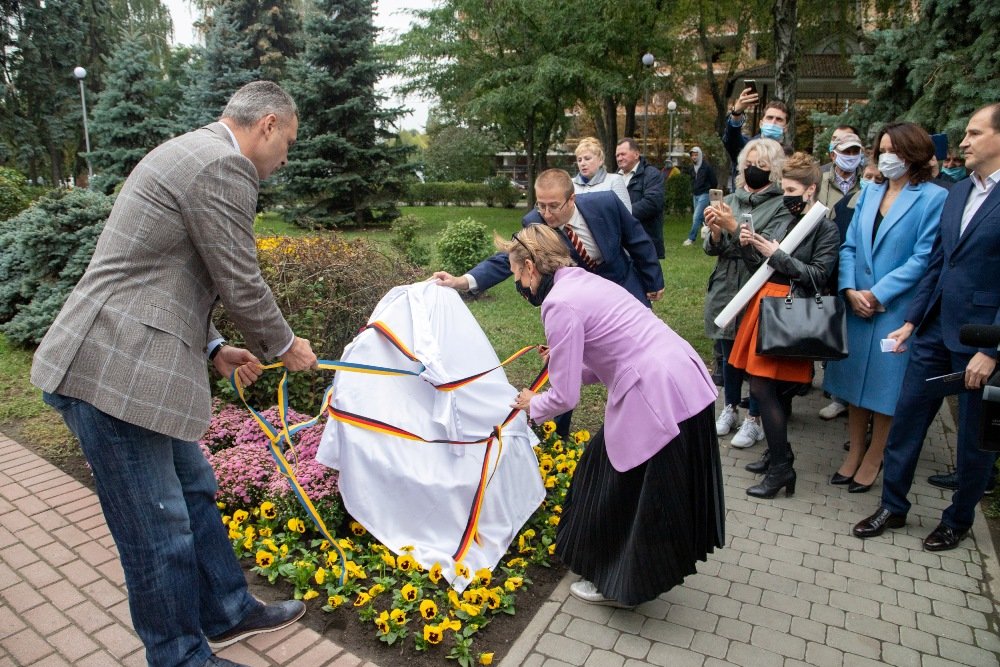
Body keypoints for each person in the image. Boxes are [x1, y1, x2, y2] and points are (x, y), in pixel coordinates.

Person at [30, 82, 318, 667]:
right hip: (113, 373)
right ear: (266, 124)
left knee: (194, 493)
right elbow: (237, 275)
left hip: (133, 359)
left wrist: (214, 348)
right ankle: (180, 657)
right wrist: (285, 345)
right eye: (286, 142)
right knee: (157, 534)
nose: (285, 159)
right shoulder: (222, 166)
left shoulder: (191, 152)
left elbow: (154, 272)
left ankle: (227, 610)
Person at [506, 224, 723, 607]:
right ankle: (617, 570)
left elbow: (565, 395)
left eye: (515, 274)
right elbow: (605, 356)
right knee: (616, 477)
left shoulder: (559, 303)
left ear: (529, 267)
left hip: (654, 392)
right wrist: (563, 360)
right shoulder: (585, 282)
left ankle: (620, 584)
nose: (518, 285)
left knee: (628, 490)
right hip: (680, 377)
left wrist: (530, 404)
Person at [852, 103, 1000, 551]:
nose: (965, 141)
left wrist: (992, 352)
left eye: (975, 133)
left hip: (980, 342)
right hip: (933, 332)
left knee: (973, 442)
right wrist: (912, 322)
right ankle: (893, 507)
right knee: (907, 422)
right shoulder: (957, 192)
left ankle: (957, 520)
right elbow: (937, 263)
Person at [433, 169, 664, 438]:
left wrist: (653, 281)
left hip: (624, 290)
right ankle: (555, 430)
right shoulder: (535, 222)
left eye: (553, 205)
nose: (546, 213)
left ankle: (649, 410)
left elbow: (636, 239)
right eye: (540, 205)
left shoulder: (606, 203)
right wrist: (464, 280)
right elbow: (510, 257)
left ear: (572, 199)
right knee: (563, 363)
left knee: (640, 354)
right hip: (575, 303)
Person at [823, 122, 947, 493]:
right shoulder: (870, 191)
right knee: (853, 385)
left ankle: (876, 456)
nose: (887, 157)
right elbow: (848, 246)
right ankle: (855, 450)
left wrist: (878, 293)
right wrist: (848, 288)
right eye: (883, 150)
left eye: (896, 150)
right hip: (857, 304)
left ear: (914, 154)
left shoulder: (932, 197)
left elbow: (923, 257)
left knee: (885, 389)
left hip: (893, 309)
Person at [727, 152, 840, 498]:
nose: (786, 195)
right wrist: (750, 246)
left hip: (789, 313)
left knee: (763, 389)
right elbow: (760, 265)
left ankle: (781, 469)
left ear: (810, 190)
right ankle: (779, 454)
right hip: (765, 305)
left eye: (792, 189)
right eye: (784, 188)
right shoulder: (785, 220)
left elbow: (819, 276)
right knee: (765, 388)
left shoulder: (825, 227)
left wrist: (776, 254)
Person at [703, 138, 792, 450]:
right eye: (749, 165)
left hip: (758, 286)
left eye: (762, 166)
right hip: (726, 284)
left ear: (775, 170)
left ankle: (755, 418)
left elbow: (768, 245)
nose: (754, 170)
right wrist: (715, 232)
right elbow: (716, 248)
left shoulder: (782, 204)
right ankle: (730, 407)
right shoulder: (732, 198)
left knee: (754, 355)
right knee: (728, 350)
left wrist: (733, 225)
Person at [815, 132, 866, 422]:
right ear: (834, 154)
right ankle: (821, 379)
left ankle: (840, 395)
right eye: (846, 151)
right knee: (822, 321)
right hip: (824, 260)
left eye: (856, 150)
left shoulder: (870, 182)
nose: (851, 155)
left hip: (854, 263)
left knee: (845, 326)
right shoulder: (821, 181)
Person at [722, 88, 792, 189]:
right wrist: (736, 112)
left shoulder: (788, 154)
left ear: (785, 127)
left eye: (779, 119)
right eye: (769, 117)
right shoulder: (747, 147)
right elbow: (731, 138)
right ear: (761, 123)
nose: (773, 123)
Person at [616, 137, 666, 258]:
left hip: (645, 241)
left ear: (636, 154)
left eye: (623, 154)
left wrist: (621, 214)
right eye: (617, 155)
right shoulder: (614, 178)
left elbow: (652, 203)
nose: (619, 158)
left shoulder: (652, 175)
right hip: (620, 243)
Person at [571, 136, 631, 211]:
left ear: (600, 160)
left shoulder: (614, 181)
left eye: (587, 158)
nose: (582, 163)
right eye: (579, 160)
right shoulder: (570, 184)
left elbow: (626, 214)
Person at [683, 146, 718, 246]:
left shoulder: (707, 167)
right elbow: (692, 181)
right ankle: (712, 233)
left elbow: (714, 181)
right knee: (703, 218)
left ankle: (691, 238)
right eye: (692, 155)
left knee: (696, 216)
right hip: (695, 195)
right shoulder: (691, 168)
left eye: (696, 155)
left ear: (700, 155)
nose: (694, 157)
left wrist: (708, 190)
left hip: (704, 194)